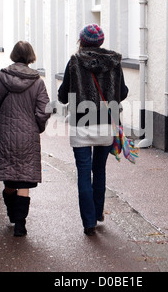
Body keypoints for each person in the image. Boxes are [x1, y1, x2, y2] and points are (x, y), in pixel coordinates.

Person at [58, 24, 129, 236]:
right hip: (107, 122)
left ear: (82, 41)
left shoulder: (75, 61)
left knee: (83, 172)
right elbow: (123, 92)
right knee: (99, 170)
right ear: (100, 41)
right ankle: (98, 212)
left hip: (81, 124)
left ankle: (88, 222)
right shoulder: (114, 63)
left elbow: (63, 96)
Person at [0, 41, 51, 237]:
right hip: (28, 137)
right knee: (24, 181)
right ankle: (20, 224)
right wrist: (37, 126)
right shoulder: (38, 82)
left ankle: (12, 215)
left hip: (5, 135)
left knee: (9, 179)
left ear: (13, 55)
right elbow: (44, 109)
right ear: (31, 56)